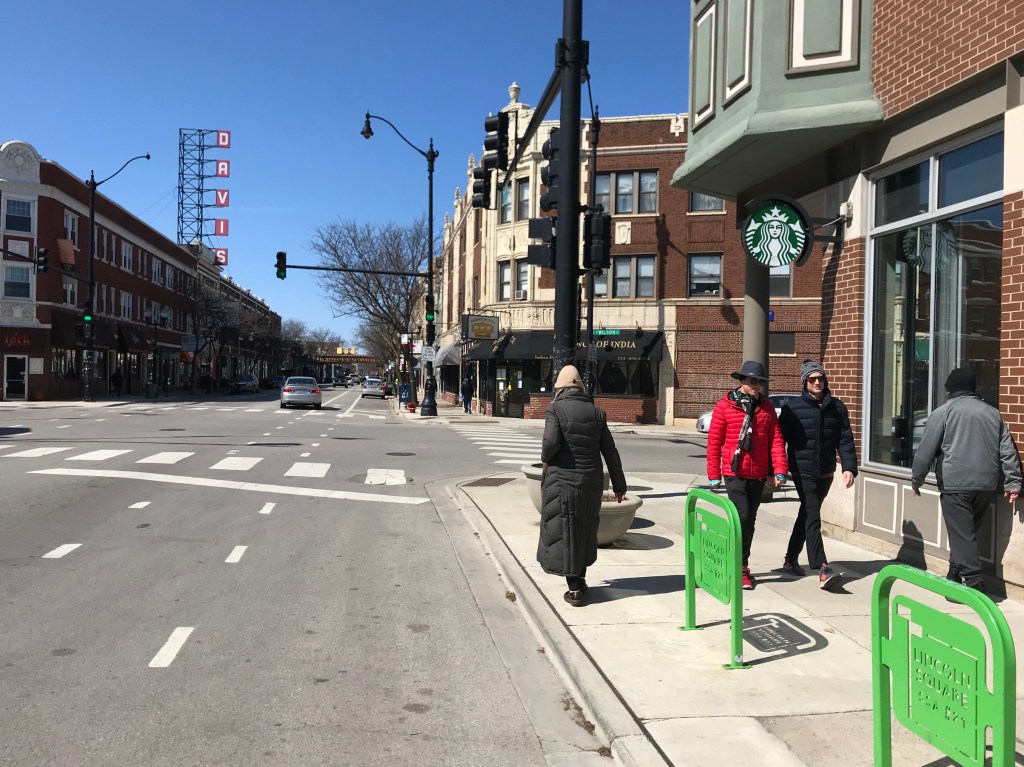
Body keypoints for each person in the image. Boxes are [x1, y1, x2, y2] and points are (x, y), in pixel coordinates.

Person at [911, 367, 1022, 594]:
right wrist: (1013, 482)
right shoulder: (992, 413)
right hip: (986, 485)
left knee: (962, 536)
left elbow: (925, 450)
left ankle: (974, 585)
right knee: (964, 535)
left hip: (955, 484)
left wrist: (916, 478)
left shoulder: (944, 412)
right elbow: (1008, 451)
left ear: (950, 389)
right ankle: (954, 574)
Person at [537, 364, 627, 607]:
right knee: (586, 528)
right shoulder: (597, 413)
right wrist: (620, 485)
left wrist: (548, 459)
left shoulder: (555, 410)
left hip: (563, 480)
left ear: (560, 388)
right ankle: (581, 578)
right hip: (590, 481)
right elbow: (610, 451)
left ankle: (574, 588)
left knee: (566, 531)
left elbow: (549, 447)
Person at [706, 360, 788, 590]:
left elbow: (776, 441)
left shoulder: (767, 408)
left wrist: (779, 469)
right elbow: (714, 442)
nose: (757, 386)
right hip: (734, 472)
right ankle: (737, 566)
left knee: (749, 521)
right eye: (753, 381)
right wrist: (713, 473)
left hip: (758, 473)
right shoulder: (725, 406)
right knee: (741, 516)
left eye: (760, 382)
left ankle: (742, 564)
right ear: (741, 382)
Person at [778, 359, 858, 591]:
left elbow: (845, 439)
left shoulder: (837, 407)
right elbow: (778, 440)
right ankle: (822, 567)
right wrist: (778, 469)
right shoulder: (793, 408)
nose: (817, 382)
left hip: (826, 471)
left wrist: (849, 467)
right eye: (812, 379)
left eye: (820, 378)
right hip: (803, 470)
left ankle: (791, 559)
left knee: (807, 513)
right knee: (813, 515)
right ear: (804, 382)